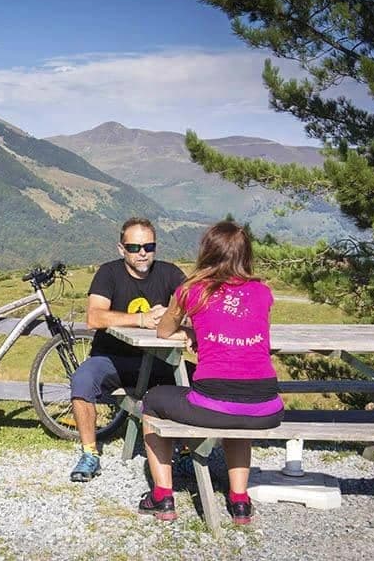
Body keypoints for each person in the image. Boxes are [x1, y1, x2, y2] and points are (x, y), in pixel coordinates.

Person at [138, 220, 284, 525]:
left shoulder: (192, 290)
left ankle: (162, 496)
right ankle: (240, 502)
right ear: (246, 255)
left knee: (151, 401)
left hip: (213, 403)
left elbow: (164, 331)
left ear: (208, 252)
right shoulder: (262, 292)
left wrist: (192, 330)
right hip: (267, 407)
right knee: (239, 413)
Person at [69, 217, 186, 482]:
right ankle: (89, 453)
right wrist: (141, 319)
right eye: (134, 247)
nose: (142, 252)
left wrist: (172, 316)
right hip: (111, 359)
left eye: (148, 246)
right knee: (82, 381)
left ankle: (190, 451)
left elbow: (196, 306)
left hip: (157, 360)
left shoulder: (169, 272)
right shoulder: (108, 273)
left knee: (202, 379)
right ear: (121, 249)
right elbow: (94, 317)